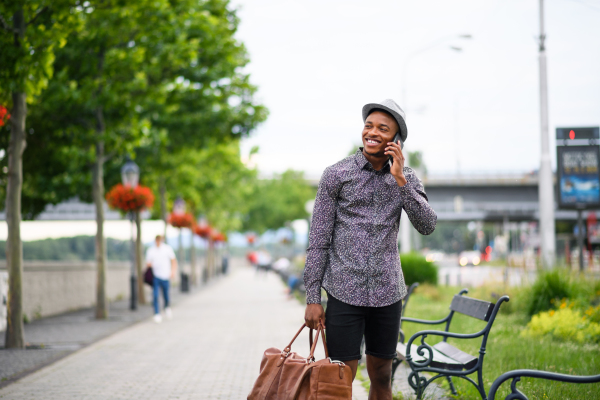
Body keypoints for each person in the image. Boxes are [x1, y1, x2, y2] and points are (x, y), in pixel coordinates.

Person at [303, 99, 437, 399]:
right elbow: (319, 239)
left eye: (382, 129)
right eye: (368, 126)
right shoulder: (336, 175)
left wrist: (401, 181)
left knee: (382, 378)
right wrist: (313, 297)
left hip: (387, 293)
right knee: (338, 382)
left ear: (395, 139)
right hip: (343, 292)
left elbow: (427, 225)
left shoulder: (407, 176)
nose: (372, 132)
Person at [146, 235, 177, 323]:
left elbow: (173, 260)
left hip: (165, 275)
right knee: (155, 295)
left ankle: (167, 307)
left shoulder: (167, 249)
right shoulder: (151, 250)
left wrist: (173, 271)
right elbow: (148, 262)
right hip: (156, 276)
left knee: (166, 295)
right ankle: (157, 313)